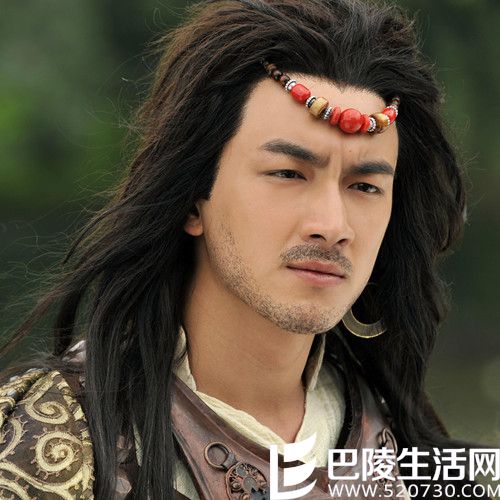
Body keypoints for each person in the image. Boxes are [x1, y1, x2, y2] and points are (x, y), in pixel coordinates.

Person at [0, 0, 493, 499]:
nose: (332, 226)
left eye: (365, 186)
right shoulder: (52, 441)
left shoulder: (411, 455)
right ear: (193, 200)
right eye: (288, 174)